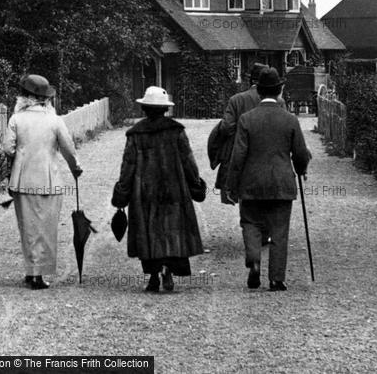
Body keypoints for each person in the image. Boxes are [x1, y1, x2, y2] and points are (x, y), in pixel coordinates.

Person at [111, 86, 205, 293]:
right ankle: (168, 270)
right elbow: (188, 161)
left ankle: (153, 276)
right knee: (172, 229)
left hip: (144, 191)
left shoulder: (135, 134)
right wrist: (195, 183)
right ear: (165, 109)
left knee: (148, 231)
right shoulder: (176, 131)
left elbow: (128, 165)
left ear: (144, 108)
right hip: (174, 190)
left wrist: (122, 191)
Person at [225, 67, 310, 291]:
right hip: (282, 183)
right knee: (279, 230)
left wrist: (232, 185)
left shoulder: (246, 120)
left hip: (251, 183)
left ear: (259, 91)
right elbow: (300, 153)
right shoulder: (290, 119)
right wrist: (301, 169)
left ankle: (254, 260)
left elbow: (238, 156)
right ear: (280, 90)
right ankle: (276, 279)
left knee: (250, 222)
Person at [1, 74, 83, 290]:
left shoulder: (16, 119)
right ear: (45, 99)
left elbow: (7, 148)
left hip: (23, 181)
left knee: (27, 226)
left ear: (25, 97)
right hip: (50, 180)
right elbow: (68, 149)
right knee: (47, 228)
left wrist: (20, 154)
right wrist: (75, 168)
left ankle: (31, 272)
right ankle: (40, 274)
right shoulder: (55, 120)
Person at [210, 63, 285, 205]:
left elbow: (226, 127)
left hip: (242, 154)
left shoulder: (236, 100)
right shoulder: (279, 102)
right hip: (272, 155)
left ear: (251, 80)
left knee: (245, 193)